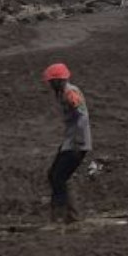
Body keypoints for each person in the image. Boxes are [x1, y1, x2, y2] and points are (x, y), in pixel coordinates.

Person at [43, 62, 92, 222]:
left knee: (58, 177)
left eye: (51, 81)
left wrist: (77, 142)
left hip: (77, 143)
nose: (49, 84)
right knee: (55, 175)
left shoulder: (70, 92)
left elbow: (82, 116)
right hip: (71, 141)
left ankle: (61, 215)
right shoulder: (64, 91)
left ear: (58, 80)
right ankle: (71, 215)